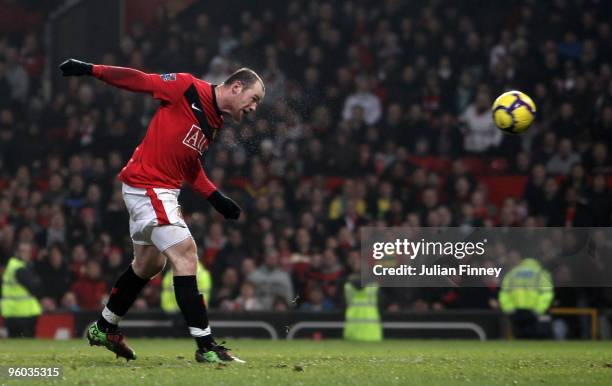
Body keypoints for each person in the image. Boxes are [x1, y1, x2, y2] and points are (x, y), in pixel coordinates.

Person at [59, 58, 265, 363]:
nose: (254, 108)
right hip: (149, 185)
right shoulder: (186, 87)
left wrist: (216, 198)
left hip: (156, 188)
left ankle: (104, 327)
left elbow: (190, 165)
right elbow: (141, 80)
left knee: (147, 265)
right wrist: (92, 70)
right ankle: (206, 346)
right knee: (185, 253)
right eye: (254, 98)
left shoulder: (214, 121)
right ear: (237, 87)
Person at [499, 258, 554, 339]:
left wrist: (509, 308)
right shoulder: (541, 273)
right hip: (534, 312)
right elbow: (547, 293)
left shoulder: (512, 273)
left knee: (519, 337)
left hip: (516, 311)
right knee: (535, 337)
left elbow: (504, 293)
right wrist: (539, 309)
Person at [0, 241, 42, 337]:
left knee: (16, 346)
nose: (26, 254)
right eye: (23, 251)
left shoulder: (12, 266)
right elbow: (35, 287)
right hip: (23, 314)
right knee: (28, 345)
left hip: (12, 313)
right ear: (17, 252)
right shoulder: (19, 269)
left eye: (28, 251)